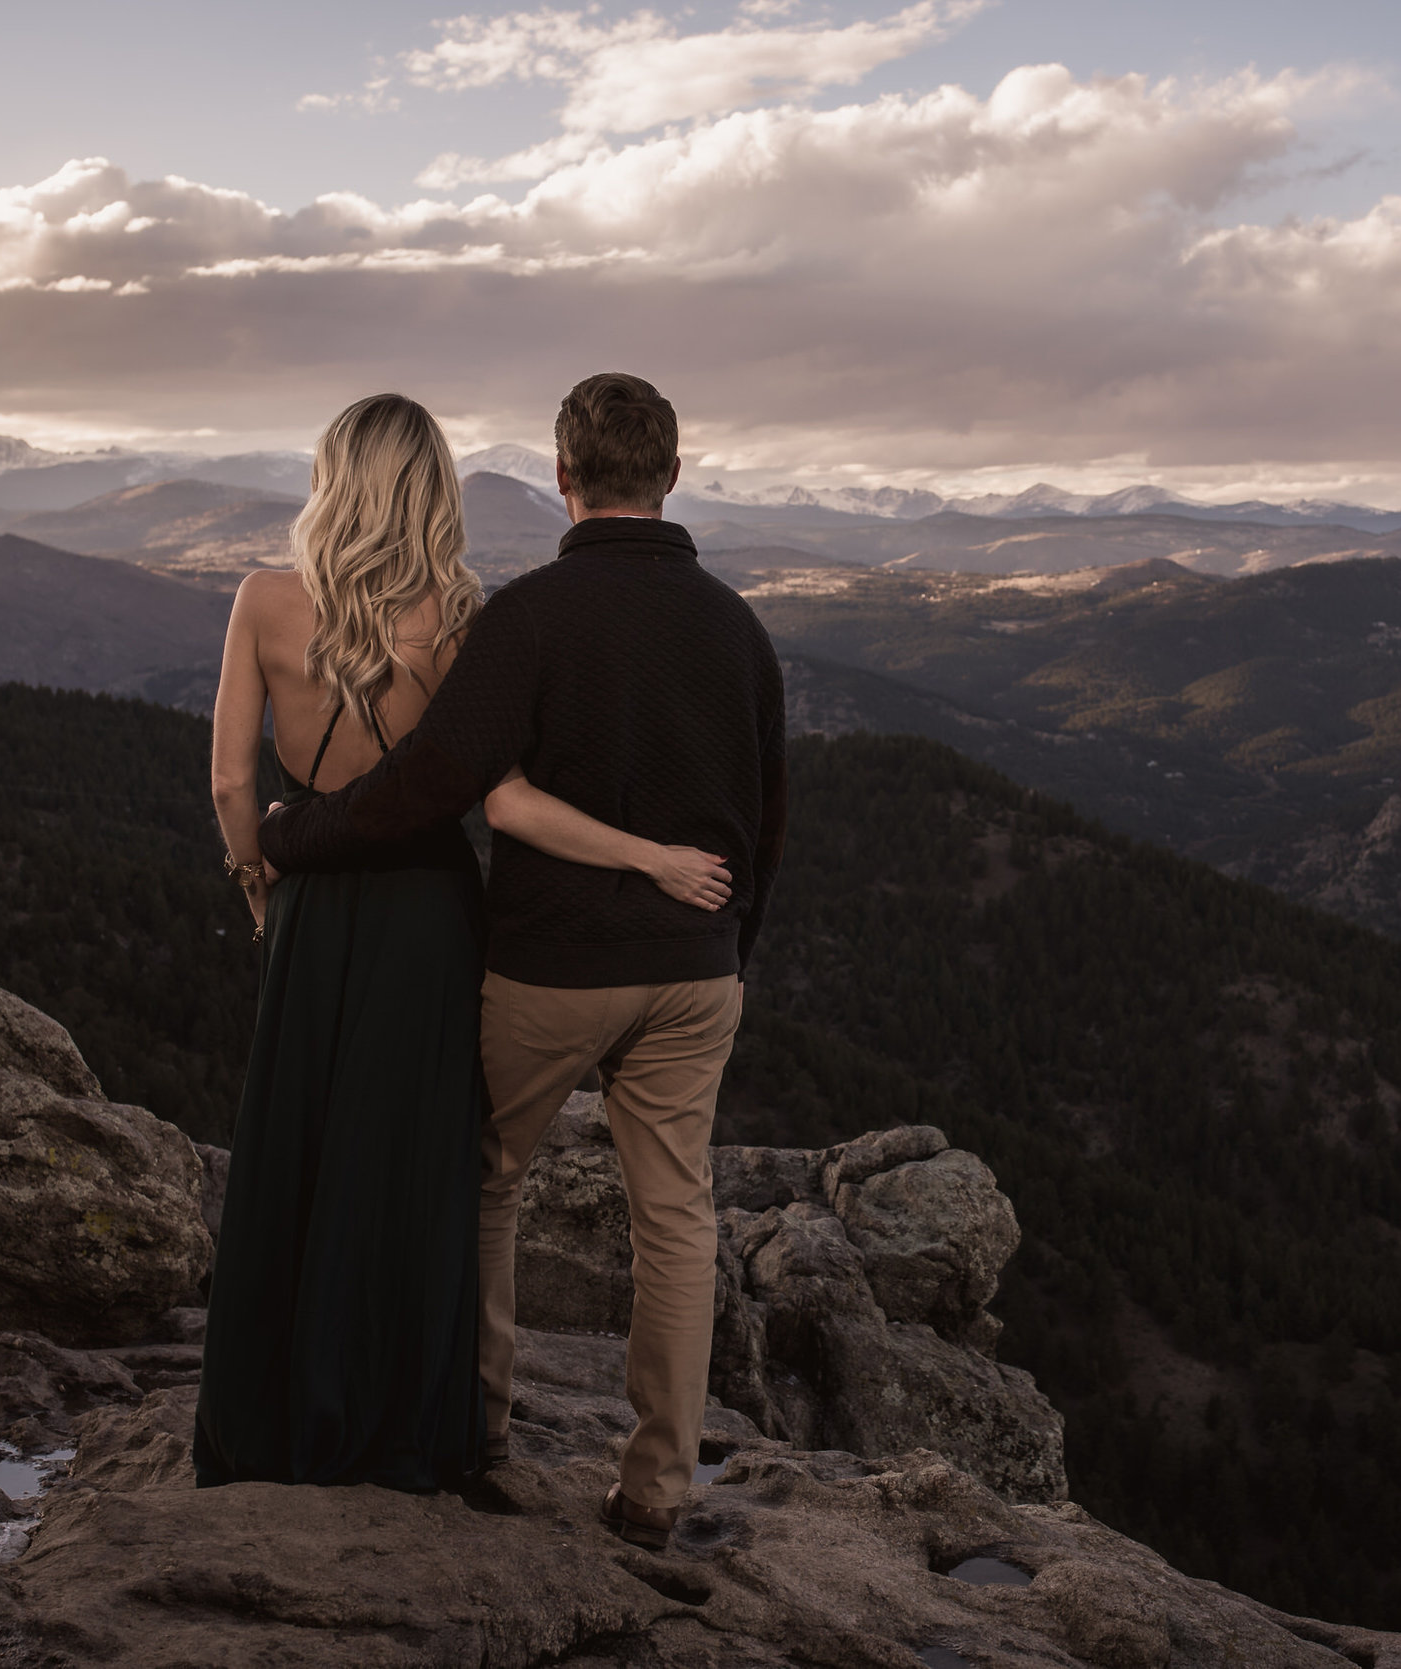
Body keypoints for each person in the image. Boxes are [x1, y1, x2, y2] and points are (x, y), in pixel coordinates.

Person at [259, 372, 787, 1549]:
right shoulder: (740, 628)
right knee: (677, 1222)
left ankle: (479, 1432)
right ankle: (655, 1491)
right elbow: (768, 816)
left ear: (561, 476)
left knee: (487, 1179)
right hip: (698, 967)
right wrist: (725, 949)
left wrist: (293, 833)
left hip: (553, 967)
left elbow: (437, 785)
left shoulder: (532, 616)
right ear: (675, 472)